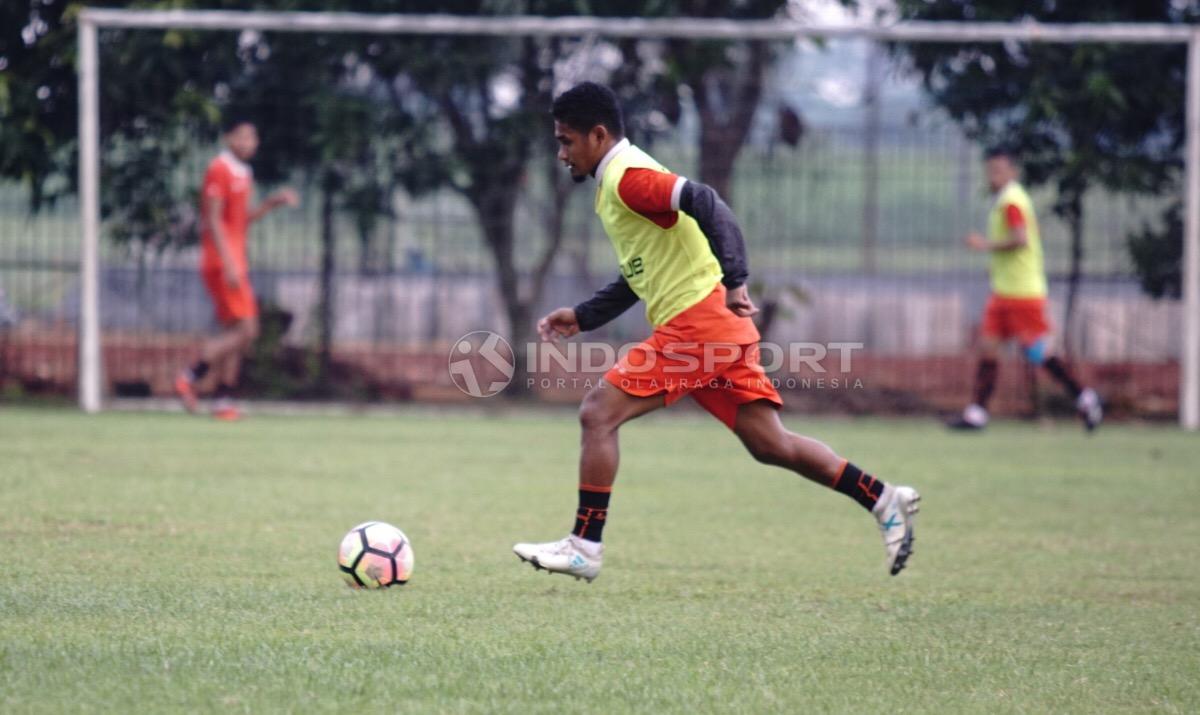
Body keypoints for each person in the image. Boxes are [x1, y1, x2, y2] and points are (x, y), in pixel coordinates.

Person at [513, 82, 920, 582]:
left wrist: (736, 278)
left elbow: (707, 201)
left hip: (700, 325)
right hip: (714, 327)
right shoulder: (618, 179)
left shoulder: (628, 178)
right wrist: (584, 315)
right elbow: (642, 271)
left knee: (598, 412)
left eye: (567, 140)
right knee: (771, 445)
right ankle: (883, 498)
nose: (561, 153)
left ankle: (584, 546)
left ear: (598, 135)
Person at [949, 148, 1102, 432]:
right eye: (990, 171)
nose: (992, 177)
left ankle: (1086, 398)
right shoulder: (1009, 200)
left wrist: (984, 245)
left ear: (1012, 172)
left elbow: (1020, 239)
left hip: (1022, 294)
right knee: (988, 349)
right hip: (1004, 291)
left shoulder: (1012, 202)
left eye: (998, 171)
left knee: (1038, 354)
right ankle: (976, 413)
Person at [174, 118, 298, 420]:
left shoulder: (244, 172)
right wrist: (229, 262)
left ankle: (223, 400)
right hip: (223, 262)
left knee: (235, 332)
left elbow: (239, 222)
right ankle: (190, 375)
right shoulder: (220, 168)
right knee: (248, 330)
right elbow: (213, 220)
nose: (247, 143)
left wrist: (271, 204)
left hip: (233, 260)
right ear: (228, 137)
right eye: (241, 136)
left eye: (252, 138)